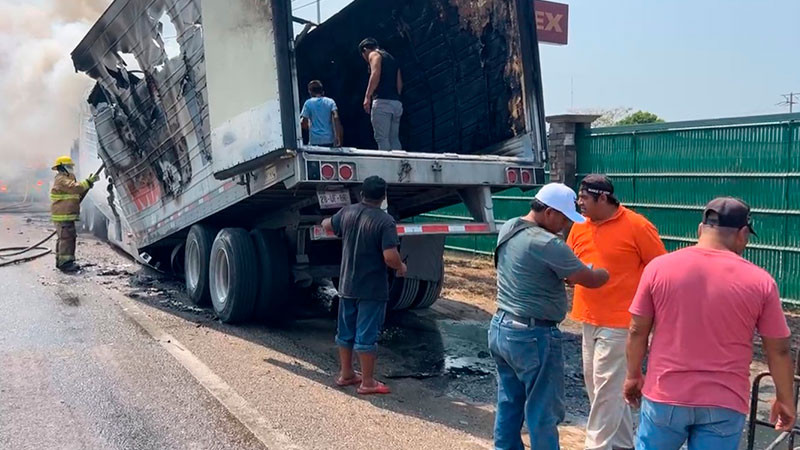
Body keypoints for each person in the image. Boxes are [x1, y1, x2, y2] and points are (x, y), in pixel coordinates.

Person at [625, 197, 796, 450]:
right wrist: (785, 399)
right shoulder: (760, 281)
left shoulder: (658, 268)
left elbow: (638, 330)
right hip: (724, 402)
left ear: (700, 229)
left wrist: (633, 375)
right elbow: (779, 349)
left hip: (666, 395)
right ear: (742, 233)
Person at [491, 183, 610, 450]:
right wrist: (606, 272)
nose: (566, 225)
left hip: (501, 327)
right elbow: (588, 279)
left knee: (510, 401)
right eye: (565, 218)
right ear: (548, 212)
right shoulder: (547, 243)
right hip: (533, 335)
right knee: (543, 410)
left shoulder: (511, 226)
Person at [566, 175, 666, 450]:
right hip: (588, 317)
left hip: (622, 322)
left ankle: (595, 446)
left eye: (585, 198)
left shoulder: (636, 226)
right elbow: (571, 260)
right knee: (598, 389)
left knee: (606, 391)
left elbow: (660, 268)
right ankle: (623, 445)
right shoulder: (579, 227)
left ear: (602, 198)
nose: (580, 203)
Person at [321, 175, 406, 395]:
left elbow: (328, 224)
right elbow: (390, 256)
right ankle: (367, 382)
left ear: (361, 194)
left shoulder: (347, 212)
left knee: (345, 331)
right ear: (383, 197)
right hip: (372, 288)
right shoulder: (385, 222)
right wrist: (400, 268)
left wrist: (325, 223)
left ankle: (346, 373)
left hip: (347, 285)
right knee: (366, 335)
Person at [50, 155, 98, 272]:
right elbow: (75, 188)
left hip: (67, 213)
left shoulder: (68, 177)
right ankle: (65, 264)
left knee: (65, 238)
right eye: (68, 166)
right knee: (66, 238)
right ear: (61, 167)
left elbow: (77, 193)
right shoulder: (61, 179)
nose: (71, 168)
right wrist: (88, 182)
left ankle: (61, 261)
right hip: (63, 214)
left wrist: (87, 185)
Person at [358, 37, 403, 150]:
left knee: (382, 138)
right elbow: (399, 84)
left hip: (382, 103)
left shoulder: (374, 55)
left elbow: (375, 74)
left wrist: (367, 97)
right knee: (394, 139)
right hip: (396, 104)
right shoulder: (392, 58)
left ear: (365, 50)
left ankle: (387, 166)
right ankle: (398, 165)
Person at [300, 80, 343, 147]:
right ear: (322, 90)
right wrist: (338, 137)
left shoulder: (308, 103)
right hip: (328, 140)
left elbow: (304, 123)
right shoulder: (330, 102)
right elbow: (336, 117)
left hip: (315, 140)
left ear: (310, 91)